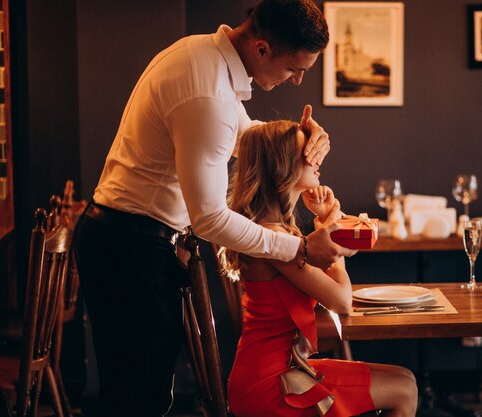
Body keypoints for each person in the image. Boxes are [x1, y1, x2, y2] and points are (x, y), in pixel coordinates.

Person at [73, 1, 356, 415]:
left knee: (146, 391)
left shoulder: (204, 59)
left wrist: (302, 138)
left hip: (133, 240)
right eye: (295, 69)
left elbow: (244, 134)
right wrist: (297, 249)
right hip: (129, 246)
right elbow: (209, 218)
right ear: (262, 50)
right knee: (137, 399)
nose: (297, 81)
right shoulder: (207, 90)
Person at [223, 120, 419, 417]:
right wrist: (333, 244)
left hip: (279, 369)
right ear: (284, 167)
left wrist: (327, 225)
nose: (316, 160)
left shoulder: (275, 232)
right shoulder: (276, 239)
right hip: (269, 384)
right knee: (404, 389)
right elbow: (341, 301)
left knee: (405, 379)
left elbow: (322, 281)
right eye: (307, 154)